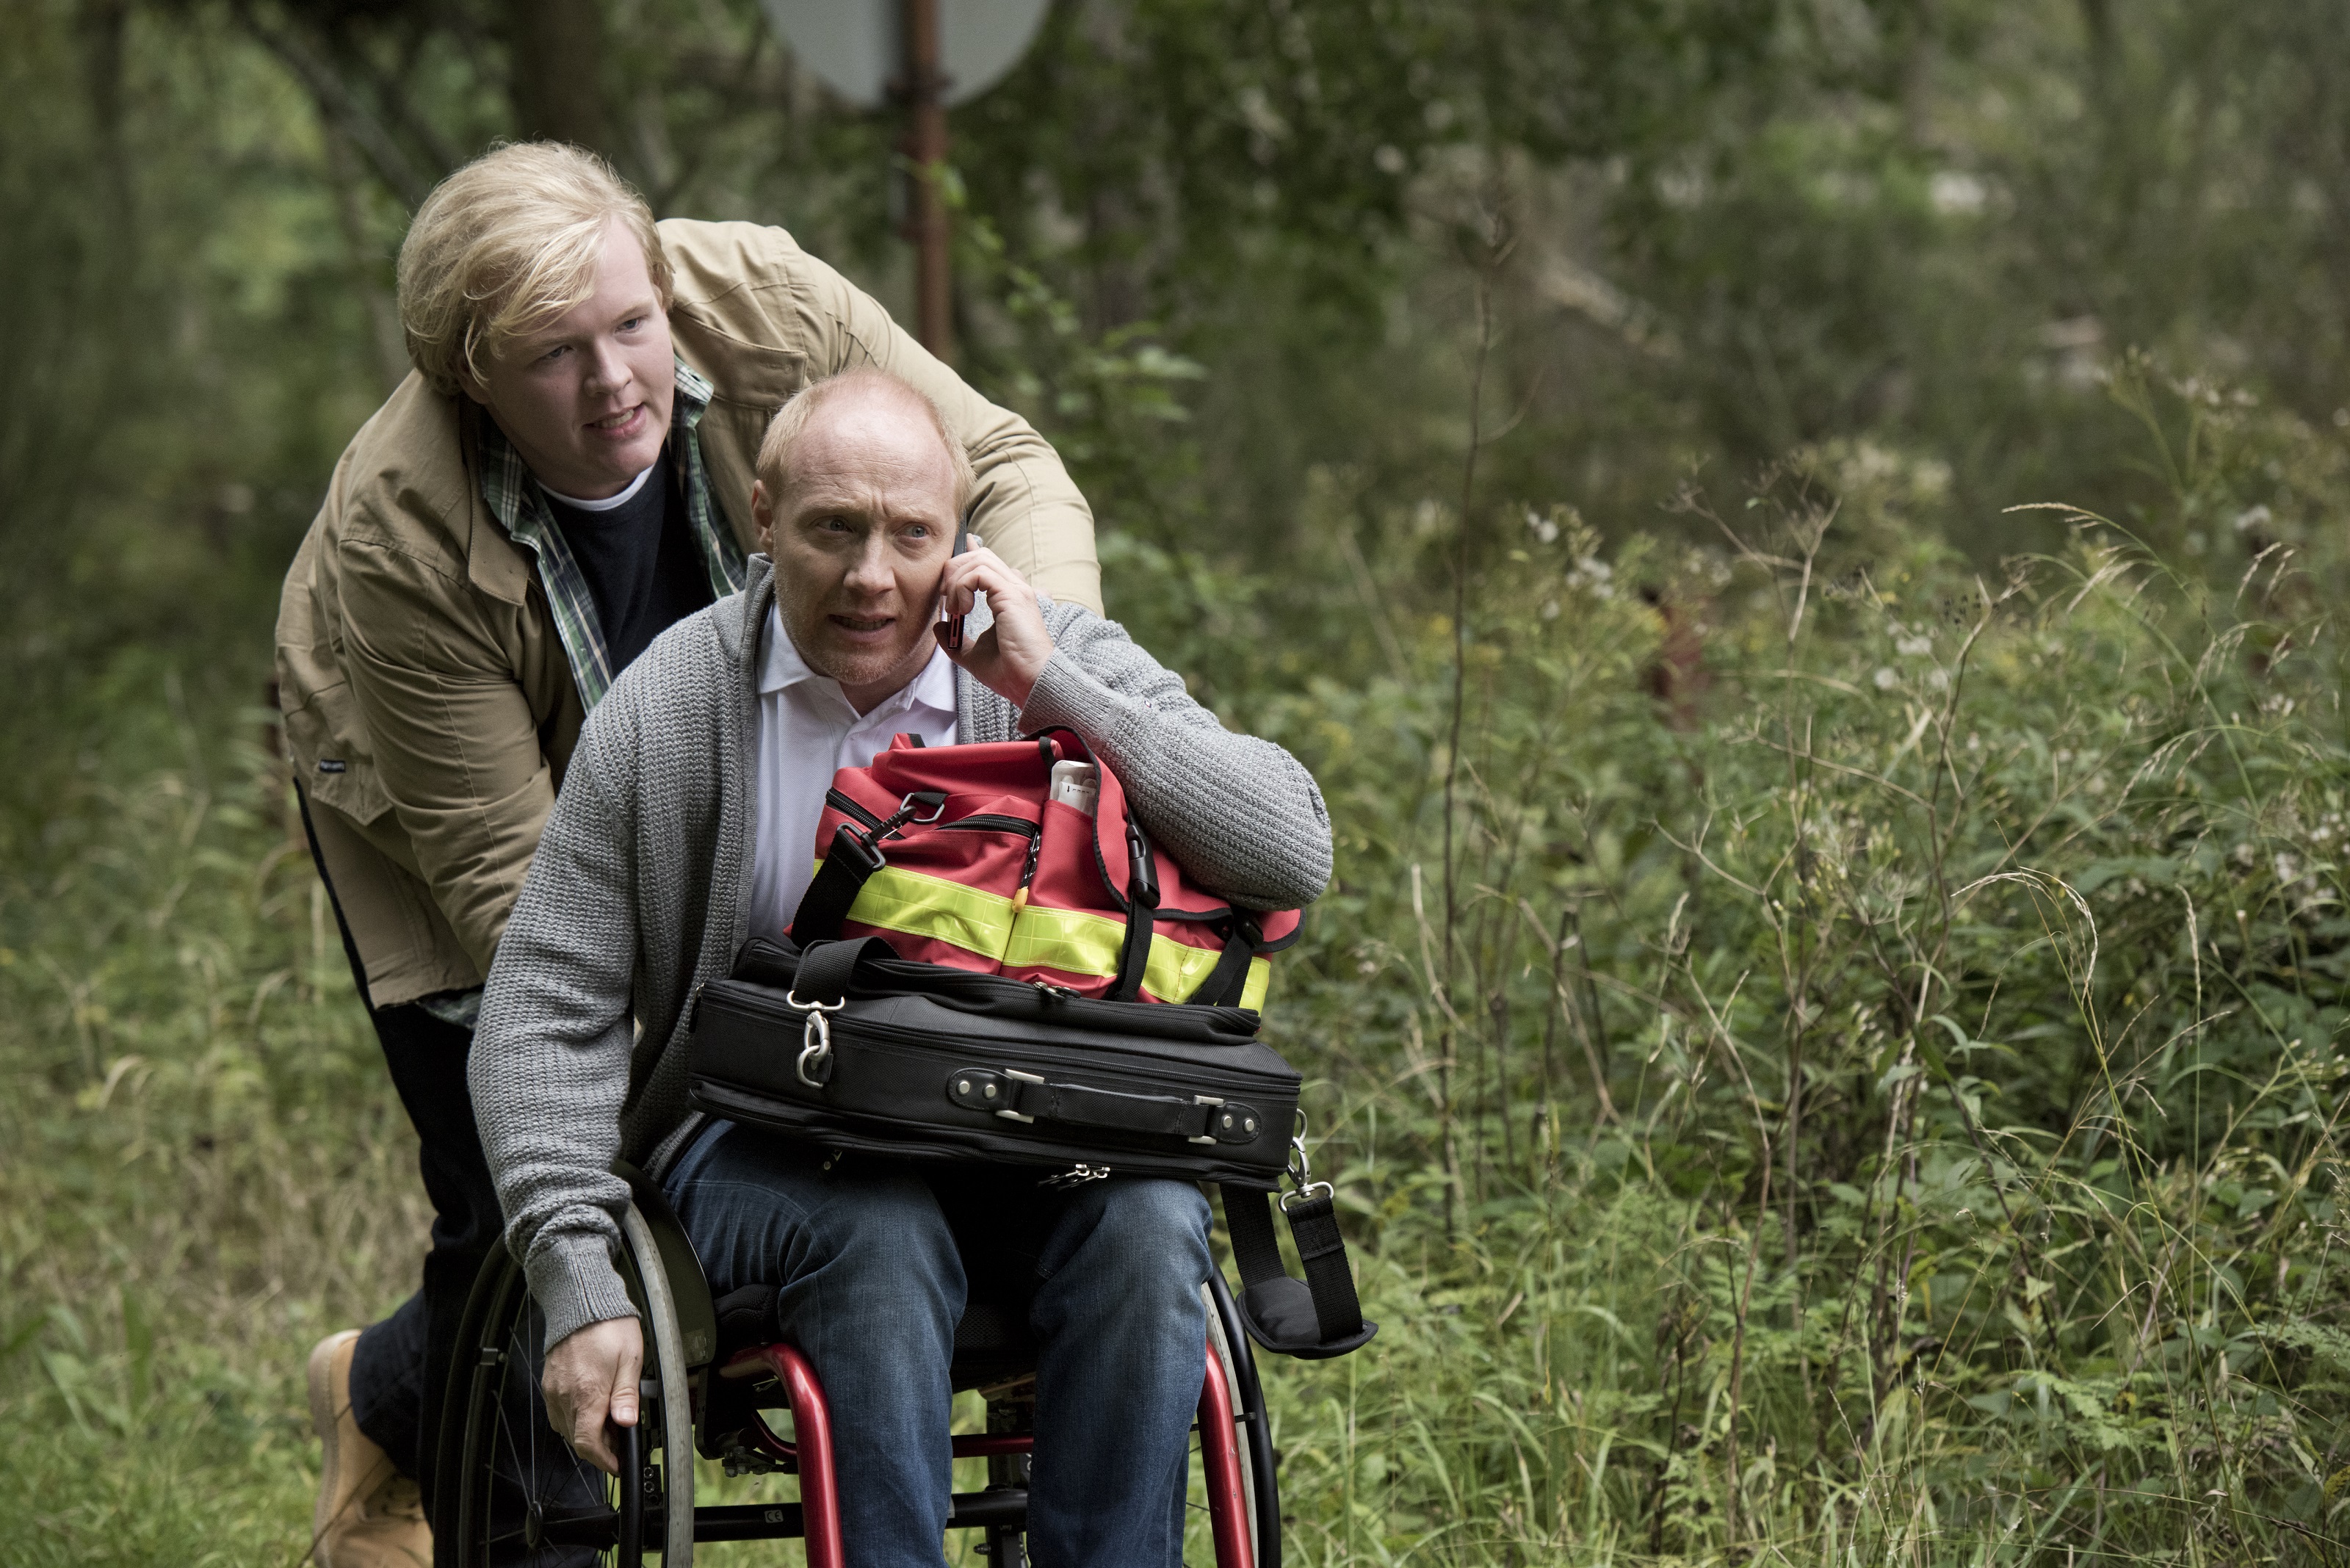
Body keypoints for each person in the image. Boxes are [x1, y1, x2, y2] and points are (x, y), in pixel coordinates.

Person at [276, 143, 1102, 1567]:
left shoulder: (763, 303)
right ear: (472, 377)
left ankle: (385, 1385)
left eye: (631, 325)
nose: (614, 381)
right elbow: (535, 920)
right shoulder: (394, 541)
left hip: (786, 782)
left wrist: (1037, 694)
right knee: (525, 1188)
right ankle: (433, 1427)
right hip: (439, 806)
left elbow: (1007, 468)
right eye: (553, 355)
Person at [467, 366, 1332, 1566]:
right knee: (875, 1232)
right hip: (755, 1146)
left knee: (1149, 1221)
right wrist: (577, 1275)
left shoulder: (1046, 663)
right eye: (833, 529)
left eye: (911, 534)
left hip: (1028, 1135)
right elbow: (542, 1011)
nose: (873, 575)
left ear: (960, 536)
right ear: (764, 519)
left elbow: (1291, 850)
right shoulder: (672, 705)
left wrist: (1052, 689)